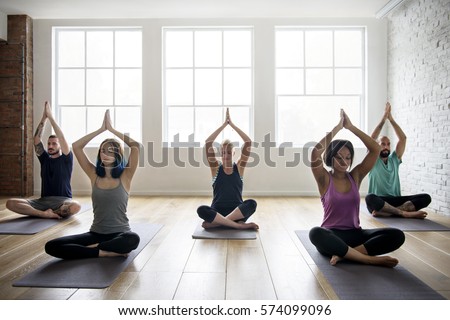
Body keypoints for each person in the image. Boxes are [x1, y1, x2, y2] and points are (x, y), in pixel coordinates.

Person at [309, 109, 405, 267]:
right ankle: (367, 259)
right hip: (332, 235)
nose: (344, 162)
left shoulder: (356, 176)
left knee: (397, 235)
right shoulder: (324, 179)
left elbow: (375, 149)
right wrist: (338, 128)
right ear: (330, 158)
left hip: (356, 234)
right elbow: (315, 154)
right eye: (338, 157)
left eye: (347, 158)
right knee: (315, 233)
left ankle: (345, 255)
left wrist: (351, 127)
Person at [45, 110, 140, 259]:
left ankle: (93, 250)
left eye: (110, 151)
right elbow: (76, 146)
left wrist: (112, 129)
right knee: (51, 246)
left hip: (120, 234)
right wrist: (101, 130)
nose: (106, 154)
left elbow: (136, 146)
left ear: (118, 155)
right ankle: (102, 251)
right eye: (103, 150)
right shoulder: (93, 174)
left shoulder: (125, 176)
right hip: (95, 233)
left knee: (133, 239)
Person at [6, 101, 81, 219]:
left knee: (76, 206)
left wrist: (51, 117)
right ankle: (45, 214)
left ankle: (54, 212)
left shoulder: (67, 159)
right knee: (10, 203)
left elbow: (61, 137)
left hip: (63, 202)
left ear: (60, 146)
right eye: (49, 144)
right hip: (42, 202)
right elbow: (36, 139)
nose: (50, 146)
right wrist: (43, 118)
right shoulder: (44, 159)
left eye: (54, 144)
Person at [365, 102, 431, 219]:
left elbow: (403, 138)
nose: (386, 146)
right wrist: (384, 118)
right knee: (369, 198)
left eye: (388, 144)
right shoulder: (373, 158)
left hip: (396, 200)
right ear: (377, 146)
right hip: (380, 200)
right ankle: (404, 213)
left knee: (426, 197)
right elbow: (371, 139)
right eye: (383, 144)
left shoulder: (395, 159)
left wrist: (391, 119)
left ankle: (392, 212)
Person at [197, 108, 258, 230]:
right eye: (223, 152)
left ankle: (219, 223)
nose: (226, 156)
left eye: (229, 152)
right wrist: (224, 125)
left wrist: (232, 125)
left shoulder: (239, 167)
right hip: (217, 212)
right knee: (201, 209)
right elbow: (208, 142)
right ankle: (237, 225)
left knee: (252, 203)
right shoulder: (215, 168)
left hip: (237, 212)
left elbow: (248, 142)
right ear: (220, 153)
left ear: (234, 153)